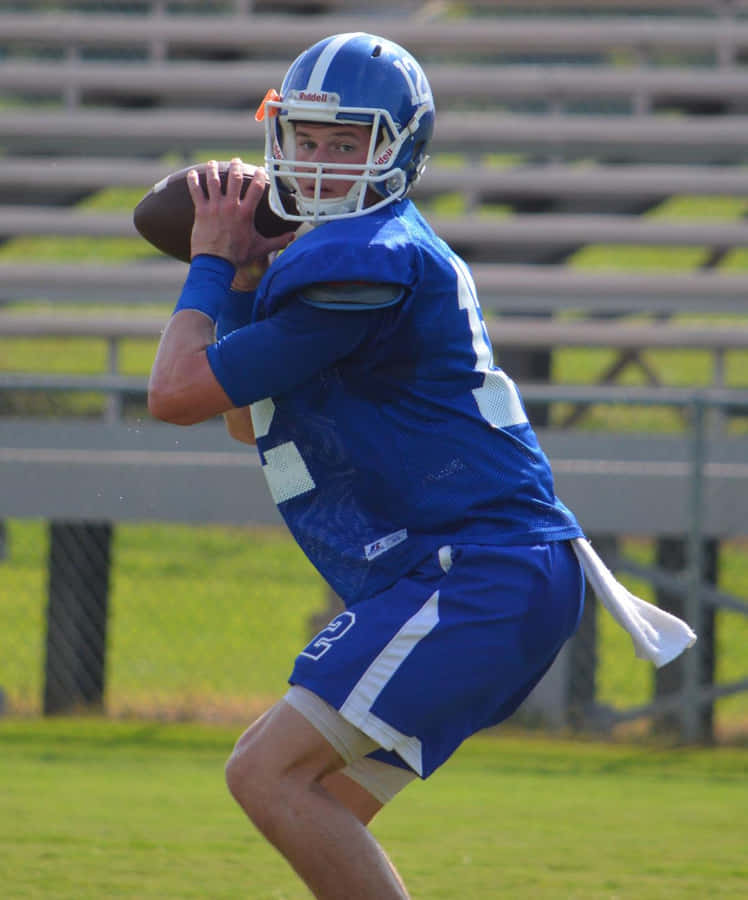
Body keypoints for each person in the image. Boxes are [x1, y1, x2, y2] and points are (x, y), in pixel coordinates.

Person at [147, 31, 691, 900]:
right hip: (479, 571)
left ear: (399, 149)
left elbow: (175, 392)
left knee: (266, 773)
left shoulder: (361, 256)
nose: (319, 164)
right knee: (312, 799)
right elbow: (244, 424)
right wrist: (246, 277)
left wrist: (212, 263)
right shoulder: (346, 257)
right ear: (275, 136)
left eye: (344, 143)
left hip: (474, 571)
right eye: (305, 139)